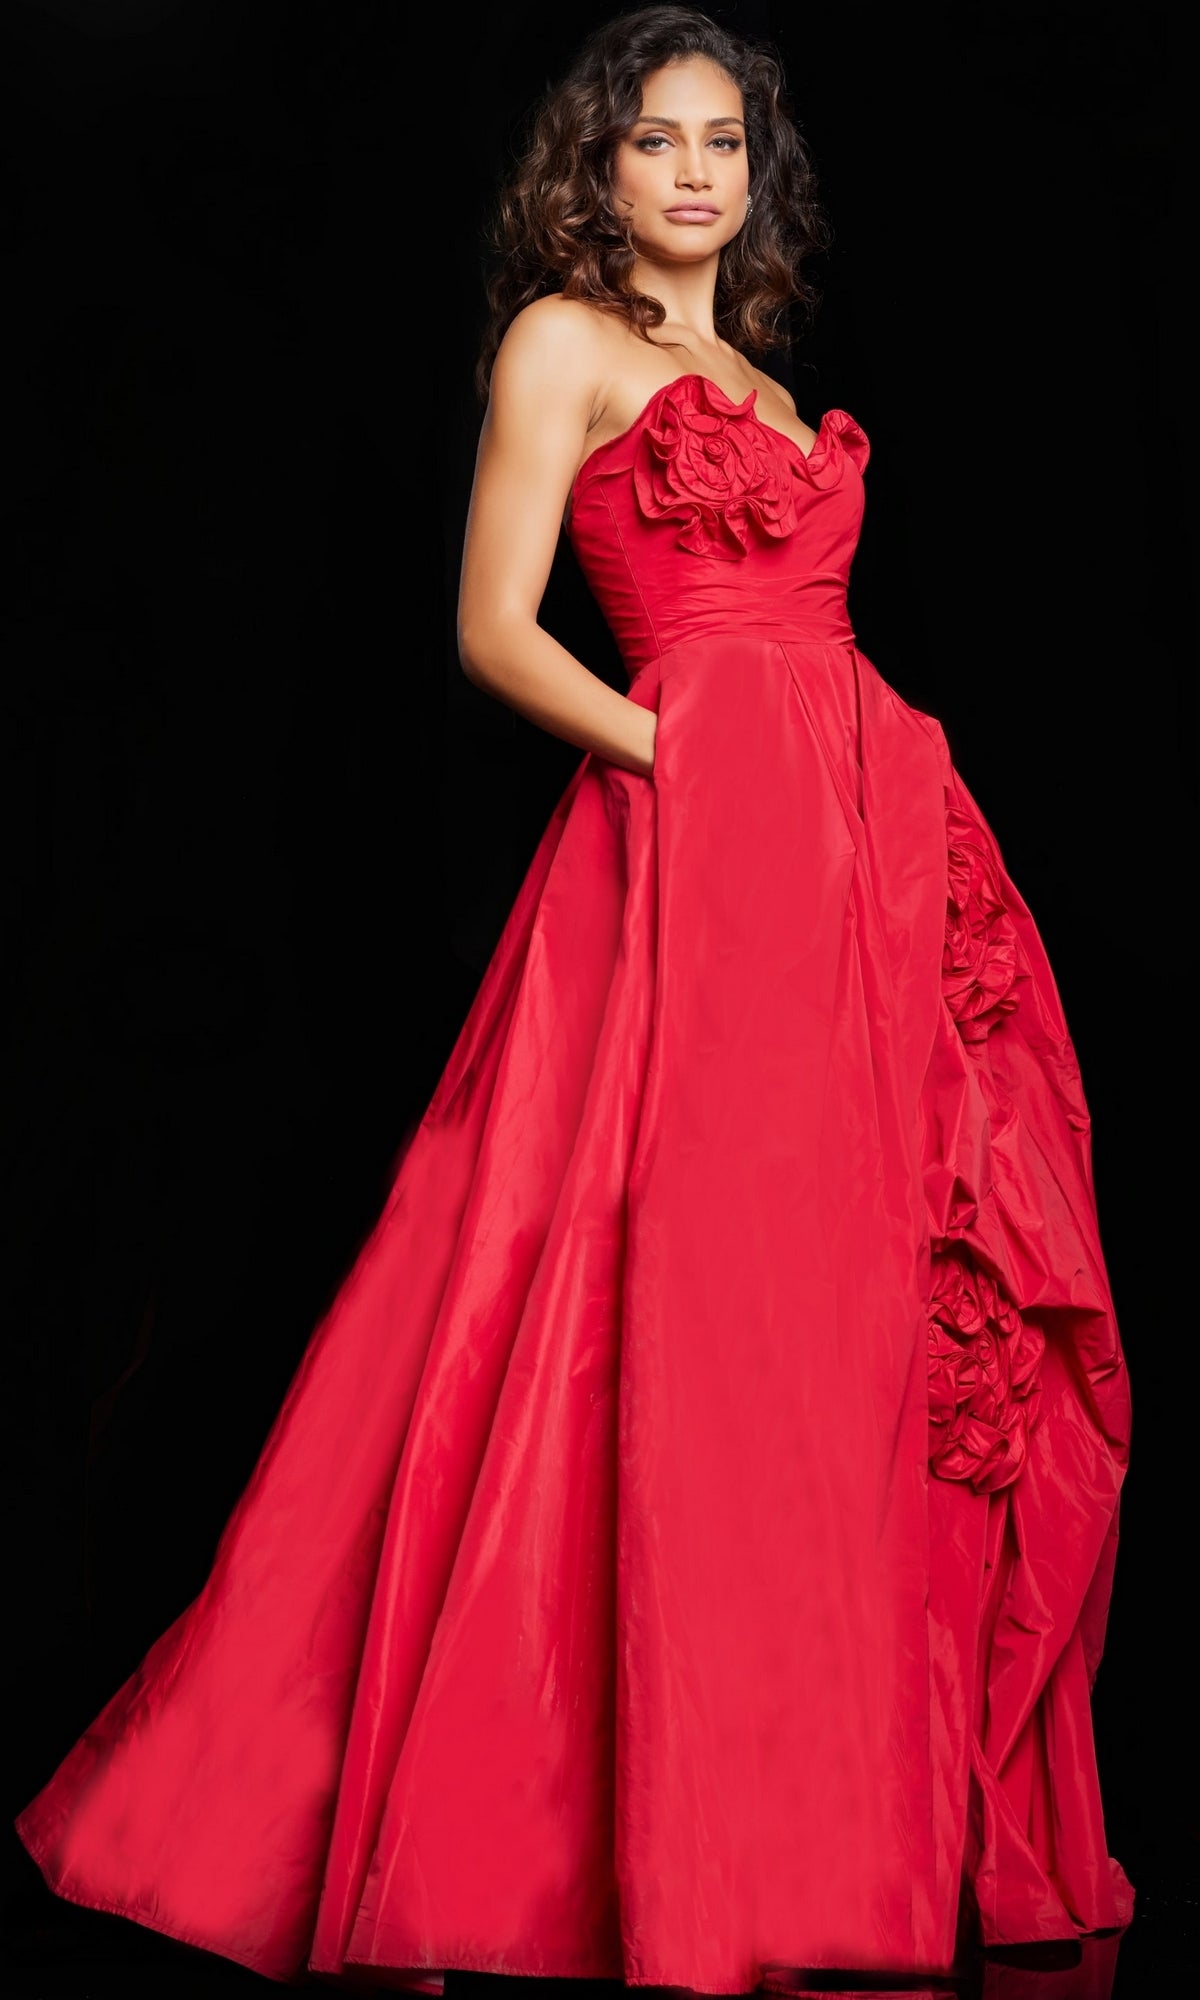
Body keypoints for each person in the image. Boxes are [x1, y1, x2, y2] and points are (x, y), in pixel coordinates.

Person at [15, 6, 1131, 1991]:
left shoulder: (770, 382)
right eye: (655, 140)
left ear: (751, 173)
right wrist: (673, 759)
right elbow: (485, 627)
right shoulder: (563, 344)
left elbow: (821, 639)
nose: (695, 170)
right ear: (595, 171)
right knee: (631, 1298)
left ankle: (806, 1836)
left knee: (831, 1321)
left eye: (724, 140)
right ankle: (626, 1841)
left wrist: (875, 803)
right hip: (688, 850)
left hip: (862, 857)